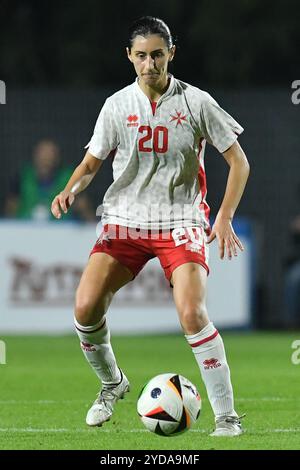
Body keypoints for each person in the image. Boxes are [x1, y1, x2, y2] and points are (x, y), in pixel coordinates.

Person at [51, 16, 250, 437]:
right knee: (85, 307)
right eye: (140, 55)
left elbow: (239, 162)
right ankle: (112, 384)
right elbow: (92, 163)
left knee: (192, 313)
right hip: (125, 221)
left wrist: (225, 215)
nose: (149, 63)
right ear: (129, 56)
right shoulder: (117, 105)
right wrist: (71, 189)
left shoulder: (197, 102)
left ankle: (227, 418)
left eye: (157, 54)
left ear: (171, 54)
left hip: (180, 220)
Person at [5, 139, 95, 222]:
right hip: (25, 230)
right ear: (35, 156)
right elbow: (10, 210)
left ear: (57, 158)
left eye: (50, 156)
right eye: (43, 156)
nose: (46, 160)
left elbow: (84, 208)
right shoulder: (22, 176)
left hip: (62, 231)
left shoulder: (69, 177)